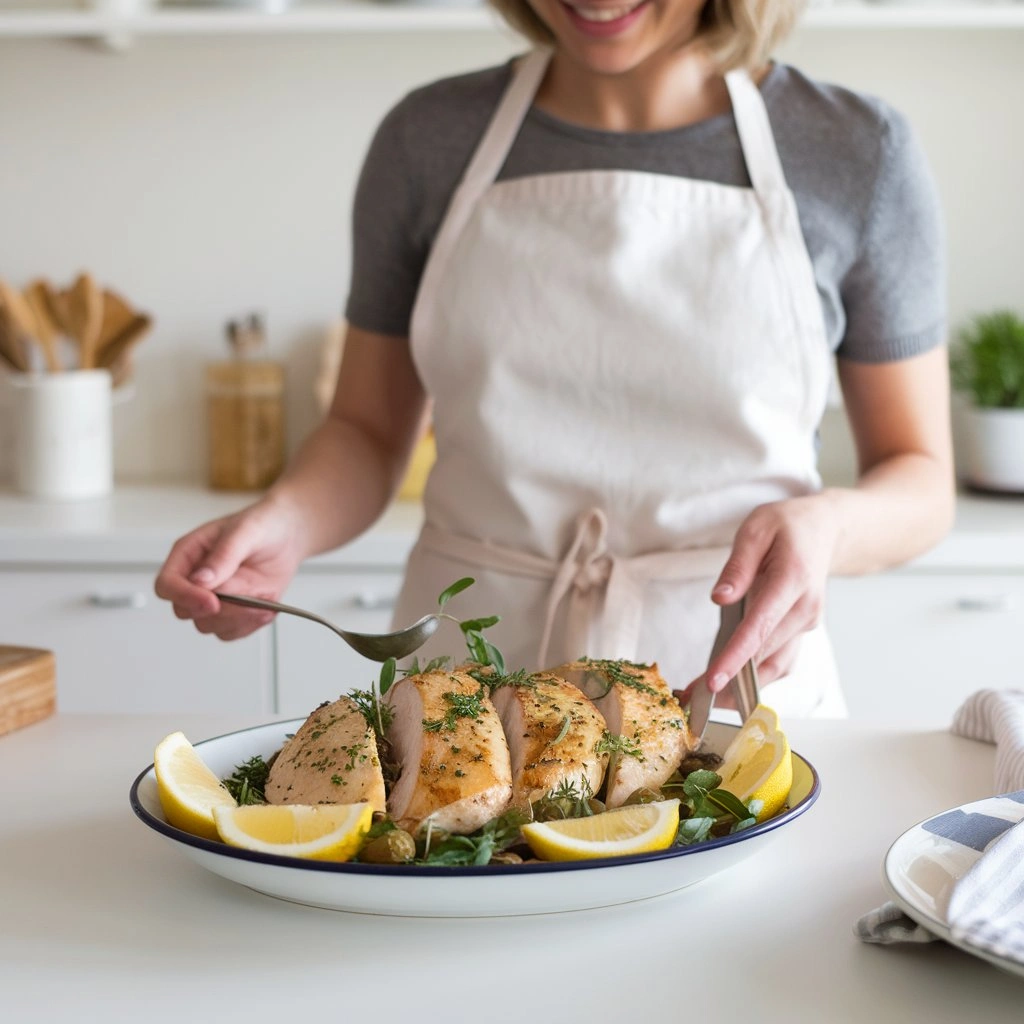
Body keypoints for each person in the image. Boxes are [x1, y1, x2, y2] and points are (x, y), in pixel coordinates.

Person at [155, 0, 955, 717]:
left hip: (731, 687)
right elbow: (366, 430)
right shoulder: (427, 140)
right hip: (465, 694)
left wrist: (827, 526)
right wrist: (284, 525)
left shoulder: (856, 151)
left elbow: (919, 477)